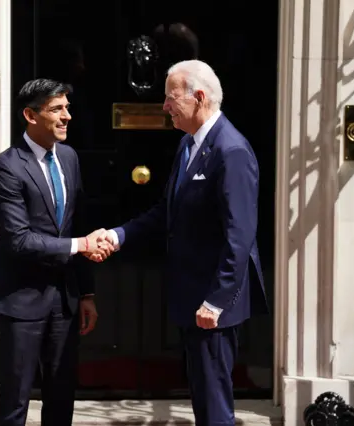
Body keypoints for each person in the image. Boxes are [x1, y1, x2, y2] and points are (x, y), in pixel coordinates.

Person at [98, 60, 269, 425]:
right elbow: (166, 213)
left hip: (212, 304)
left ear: (200, 98)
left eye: (170, 98)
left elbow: (239, 237)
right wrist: (118, 235)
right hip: (191, 296)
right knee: (202, 398)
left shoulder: (231, 151)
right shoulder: (187, 146)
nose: (163, 107)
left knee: (214, 403)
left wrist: (216, 301)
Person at [0, 78, 112, 426]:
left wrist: (86, 292)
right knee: (16, 399)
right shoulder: (5, 167)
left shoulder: (69, 158)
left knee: (62, 397)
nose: (67, 116)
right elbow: (19, 240)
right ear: (30, 115)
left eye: (67, 108)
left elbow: (77, 223)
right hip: (21, 299)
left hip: (65, 300)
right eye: (57, 109)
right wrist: (82, 246)